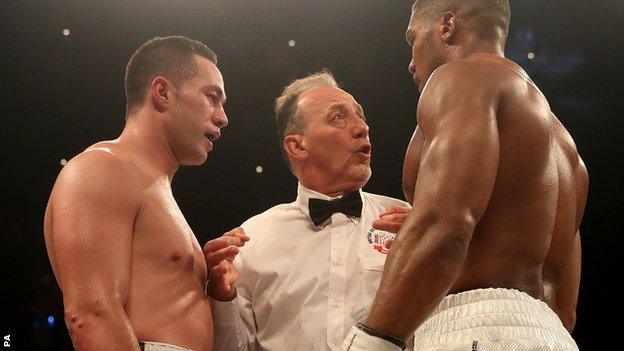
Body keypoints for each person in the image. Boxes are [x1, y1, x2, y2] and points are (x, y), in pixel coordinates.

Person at [341, 1, 588, 350]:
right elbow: (567, 309)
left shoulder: (461, 78)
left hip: (473, 328)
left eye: (413, 39)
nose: (411, 62)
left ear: (447, 26)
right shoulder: (565, 145)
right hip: (551, 334)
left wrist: (375, 337)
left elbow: (445, 222)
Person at [43, 36, 239, 351]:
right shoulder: (103, 168)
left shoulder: (153, 186)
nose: (222, 117)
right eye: (211, 97)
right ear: (162, 92)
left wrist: (214, 288)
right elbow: (91, 314)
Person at [208, 71, 413, 350]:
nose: (362, 128)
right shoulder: (253, 239)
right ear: (297, 145)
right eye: (338, 117)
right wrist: (221, 297)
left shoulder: (409, 221)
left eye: (360, 116)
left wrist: (435, 247)